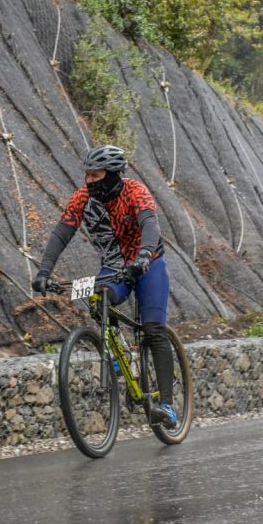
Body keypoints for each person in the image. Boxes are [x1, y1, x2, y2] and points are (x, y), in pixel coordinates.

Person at [32, 145, 177, 427]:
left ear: (112, 174)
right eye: (87, 175)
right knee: (99, 298)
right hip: (113, 266)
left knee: (154, 330)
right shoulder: (82, 198)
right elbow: (61, 234)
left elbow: (150, 224)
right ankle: (120, 359)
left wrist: (144, 256)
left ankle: (167, 406)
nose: (89, 181)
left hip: (148, 263)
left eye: (95, 176)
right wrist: (44, 272)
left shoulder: (135, 191)